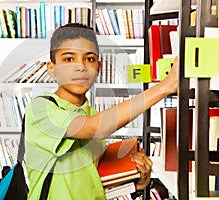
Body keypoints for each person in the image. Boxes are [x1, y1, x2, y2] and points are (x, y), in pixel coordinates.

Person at [24, 23, 178, 200]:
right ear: (51, 68)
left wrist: (135, 183)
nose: (81, 67)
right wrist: (164, 87)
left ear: (99, 67)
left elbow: (91, 183)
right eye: (68, 59)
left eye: (89, 59)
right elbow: (97, 127)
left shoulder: (92, 114)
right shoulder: (41, 110)